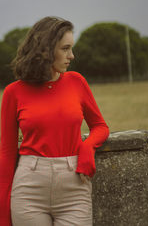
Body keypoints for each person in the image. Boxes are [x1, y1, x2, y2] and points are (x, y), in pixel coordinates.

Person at [0, 16, 109, 226]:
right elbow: (6, 153)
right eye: (65, 48)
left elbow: (100, 127)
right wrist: (3, 215)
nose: (72, 55)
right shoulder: (13, 92)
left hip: (74, 189)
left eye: (71, 48)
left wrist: (87, 147)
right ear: (45, 50)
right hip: (29, 189)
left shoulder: (77, 82)